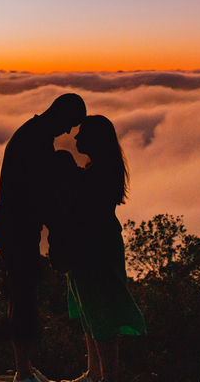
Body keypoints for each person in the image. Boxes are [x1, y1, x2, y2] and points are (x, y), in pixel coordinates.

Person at [0, 93, 88, 382]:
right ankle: (23, 373)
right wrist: (63, 230)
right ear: (60, 112)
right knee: (22, 296)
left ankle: (25, 367)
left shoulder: (32, 135)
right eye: (71, 123)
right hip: (16, 228)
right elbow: (40, 196)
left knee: (21, 294)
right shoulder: (35, 142)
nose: (69, 132)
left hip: (15, 226)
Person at [53, 114, 146, 382]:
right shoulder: (101, 170)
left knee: (100, 311)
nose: (76, 137)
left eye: (81, 133)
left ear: (95, 139)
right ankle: (95, 374)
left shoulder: (96, 175)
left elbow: (83, 214)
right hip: (95, 246)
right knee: (90, 310)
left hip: (94, 250)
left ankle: (108, 377)